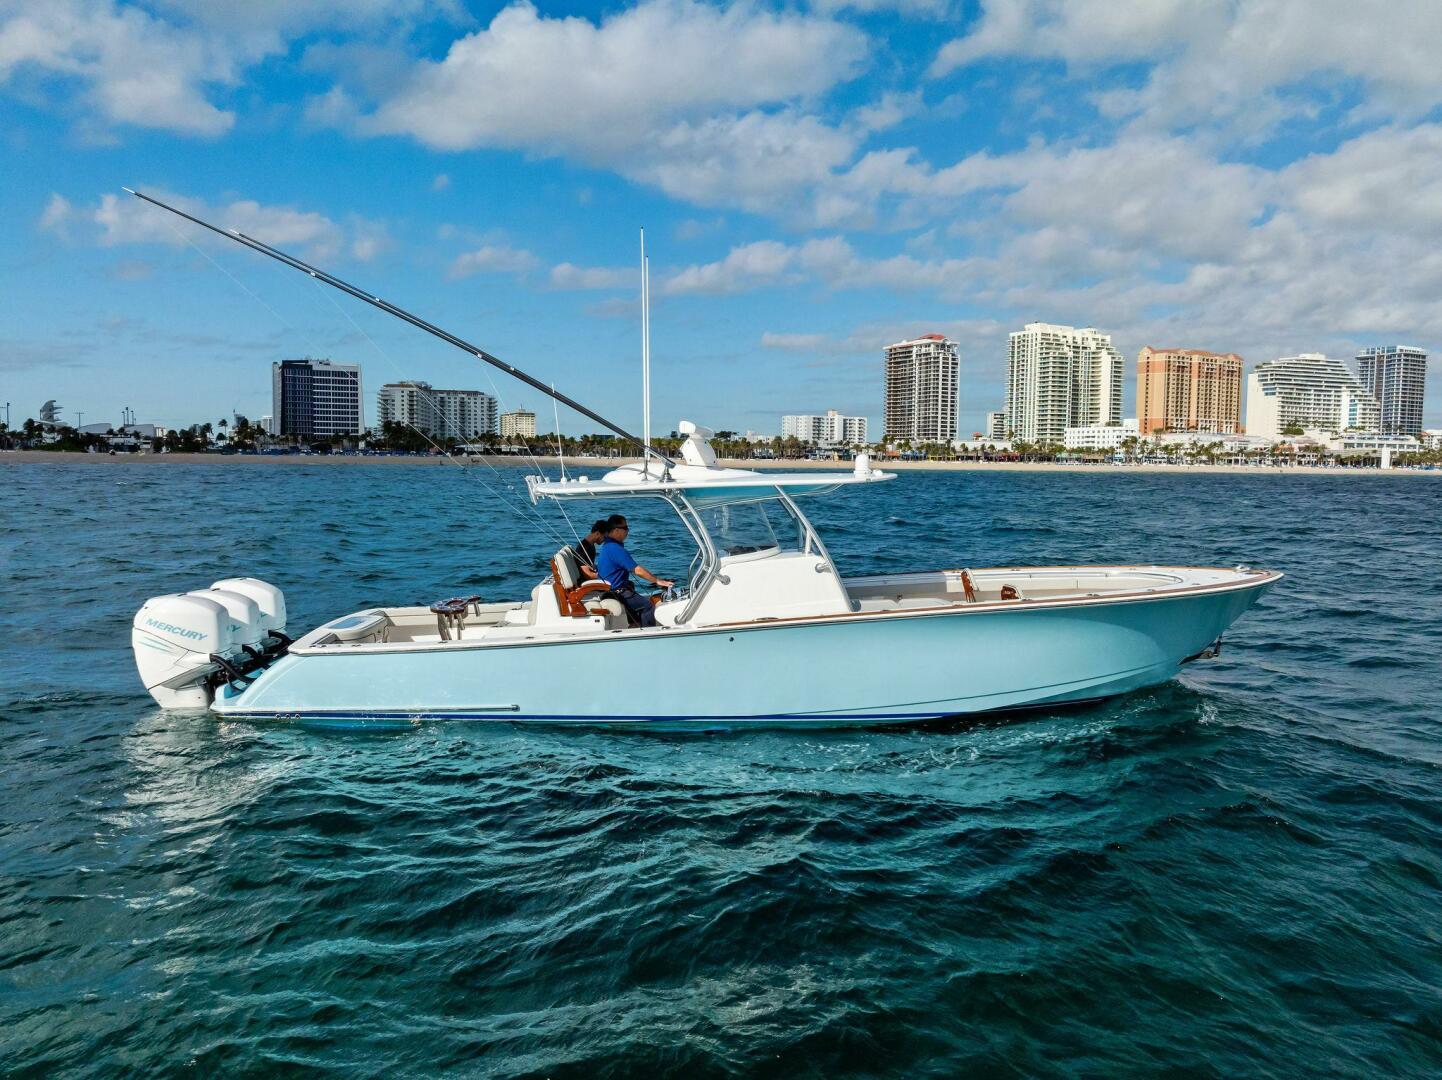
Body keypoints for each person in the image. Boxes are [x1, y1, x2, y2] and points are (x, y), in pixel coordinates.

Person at [595, 513, 674, 628]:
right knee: (648, 607)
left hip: (613, 589)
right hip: (615, 592)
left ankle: (634, 625)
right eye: (625, 528)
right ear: (616, 530)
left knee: (631, 589)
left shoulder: (608, 545)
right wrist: (657, 580)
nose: (628, 530)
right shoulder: (614, 548)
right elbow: (637, 570)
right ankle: (648, 634)